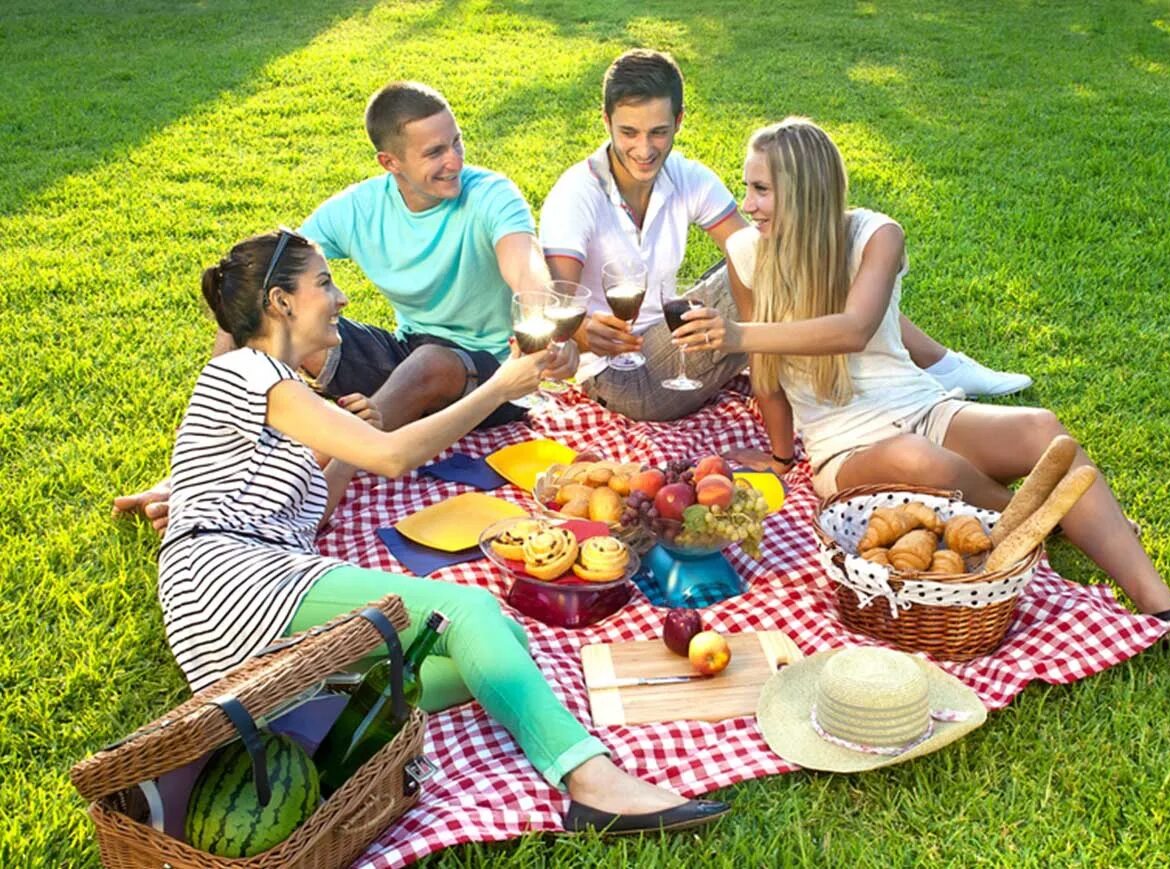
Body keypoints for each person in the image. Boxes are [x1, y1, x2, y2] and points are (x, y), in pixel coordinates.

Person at [158, 229, 728, 833]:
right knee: (467, 612)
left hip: (230, 627)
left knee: (500, 636)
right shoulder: (250, 372)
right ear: (281, 302)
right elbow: (397, 458)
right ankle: (590, 779)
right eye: (324, 283)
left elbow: (313, 508)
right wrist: (497, 387)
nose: (342, 298)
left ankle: (326, 719)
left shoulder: (282, 389)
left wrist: (349, 448)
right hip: (230, 583)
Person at [676, 118, 1170, 675]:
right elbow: (768, 372)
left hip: (922, 405)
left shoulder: (876, 235)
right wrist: (779, 456)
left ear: (807, 188)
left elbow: (854, 328)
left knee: (1043, 429)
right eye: (747, 187)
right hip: (845, 445)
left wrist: (738, 336)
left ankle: (1169, 614)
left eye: (762, 189)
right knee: (919, 462)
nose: (747, 204)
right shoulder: (747, 253)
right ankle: (1047, 522)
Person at [114, 81, 576, 531]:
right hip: (407, 353)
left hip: (494, 372)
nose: (454, 160)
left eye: (456, 142)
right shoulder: (358, 208)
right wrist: (221, 410)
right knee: (279, 324)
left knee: (430, 363)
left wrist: (543, 327)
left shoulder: (492, 194)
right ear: (389, 161)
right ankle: (207, 476)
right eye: (434, 152)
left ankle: (320, 489)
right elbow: (263, 285)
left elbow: (525, 269)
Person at [540, 49, 1028, 421]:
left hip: (676, 350)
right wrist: (585, 330)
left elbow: (774, 248)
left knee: (773, 251)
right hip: (624, 377)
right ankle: (928, 368)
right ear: (605, 122)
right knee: (756, 262)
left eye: (658, 132)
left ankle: (920, 367)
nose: (644, 149)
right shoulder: (576, 194)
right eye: (628, 133)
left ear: (679, 122)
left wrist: (837, 232)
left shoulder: (685, 177)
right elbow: (562, 308)